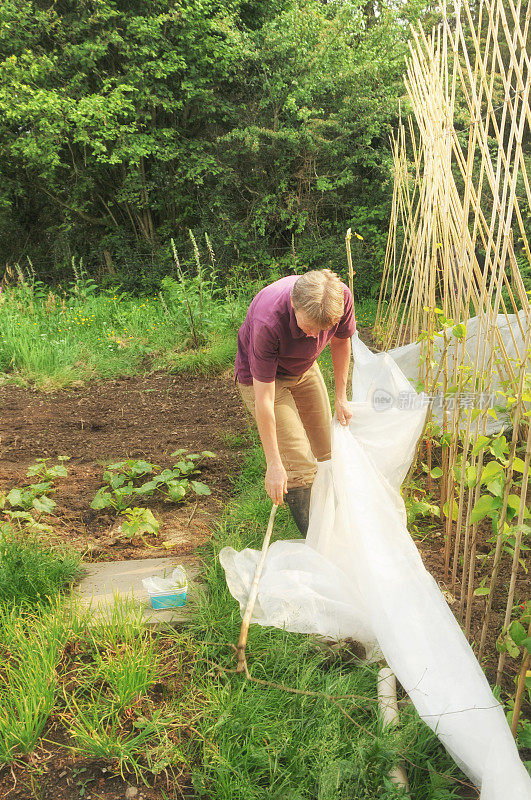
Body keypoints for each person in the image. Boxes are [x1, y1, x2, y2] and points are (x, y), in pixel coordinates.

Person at [234, 269, 356, 536]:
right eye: (308, 327)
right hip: (267, 380)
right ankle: (318, 543)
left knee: (328, 449)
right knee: (299, 466)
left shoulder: (339, 298)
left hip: (304, 369)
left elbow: (341, 340)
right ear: (293, 304)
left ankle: (338, 524)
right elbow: (264, 402)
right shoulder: (269, 321)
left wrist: (341, 396)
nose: (314, 336)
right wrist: (275, 464)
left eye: (321, 329)